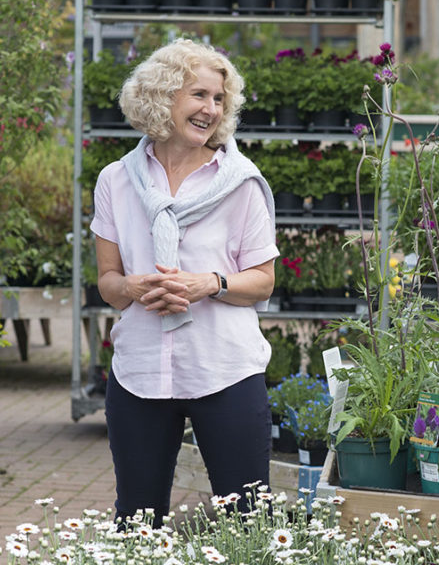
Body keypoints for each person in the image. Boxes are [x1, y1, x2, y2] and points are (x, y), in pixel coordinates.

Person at [90, 38, 278, 525]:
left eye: (219, 99)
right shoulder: (116, 180)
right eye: (198, 95)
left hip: (226, 369)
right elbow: (107, 282)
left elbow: (262, 282)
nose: (211, 109)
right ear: (161, 97)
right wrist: (133, 288)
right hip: (140, 372)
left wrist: (209, 284)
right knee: (136, 523)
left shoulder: (241, 182)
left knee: (247, 523)